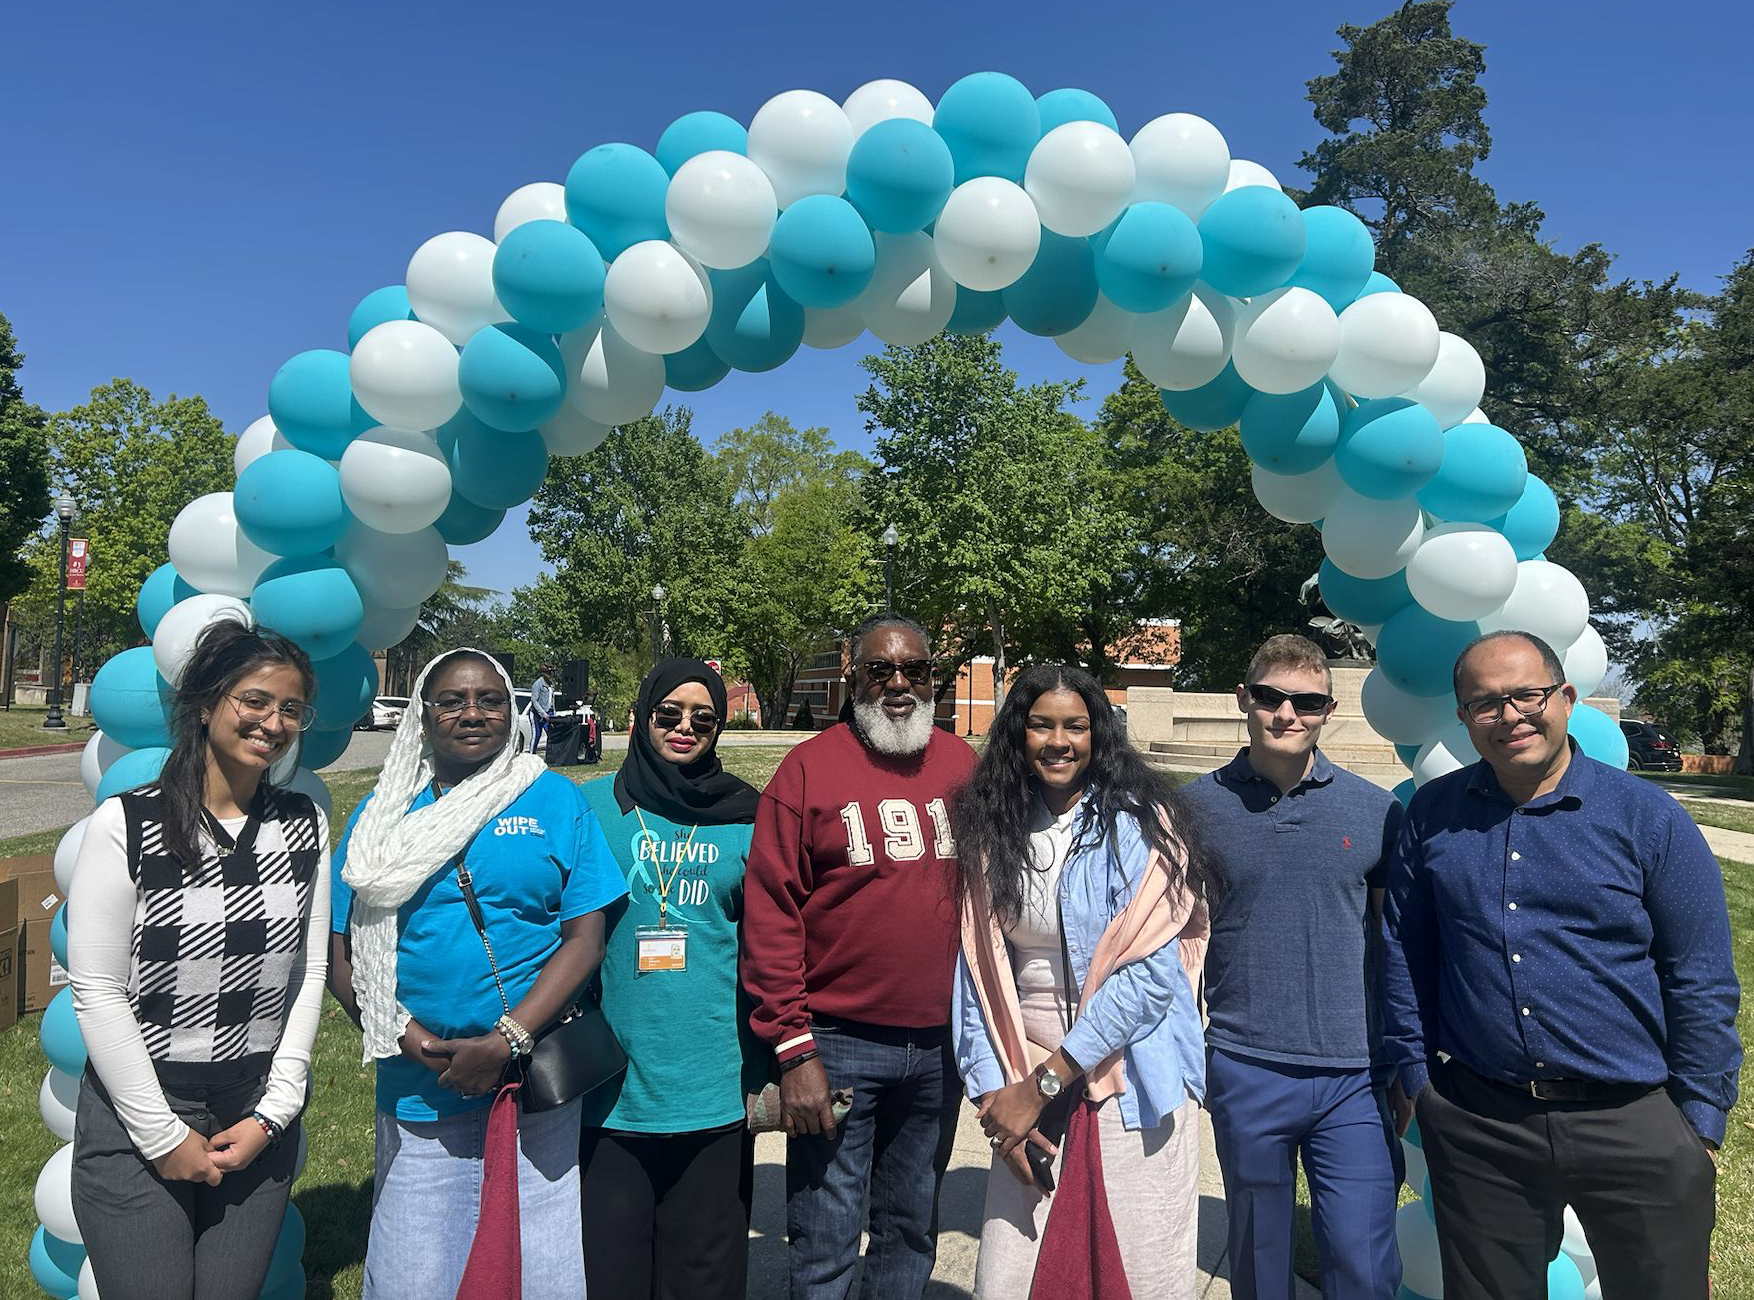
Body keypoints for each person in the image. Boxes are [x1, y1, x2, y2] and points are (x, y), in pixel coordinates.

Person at [1381, 630, 1741, 1300]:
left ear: (1566, 698)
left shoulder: (1649, 819)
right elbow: (1406, 948)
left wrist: (1697, 1122)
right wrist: (1415, 1075)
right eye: (1485, 703)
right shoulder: (1433, 814)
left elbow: (1700, 978)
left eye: (1528, 694)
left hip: (1633, 1118)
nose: (1510, 715)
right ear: (1463, 718)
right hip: (1479, 1122)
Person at [327, 648, 626, 1300]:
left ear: (511, 710)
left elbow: (585, 938)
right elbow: (339, 951)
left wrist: (509, 1038)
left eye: (490, 699)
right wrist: (410, 1039)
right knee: (413, 1272)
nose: (472, 713)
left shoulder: (551, 798)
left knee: (536, 1267)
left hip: (531, 1079)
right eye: (452, 700)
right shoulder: (381, 815)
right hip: (418, 1083)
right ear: (424, 715)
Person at [68, 619, 329, 1300]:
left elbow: (309, 972)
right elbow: (96, 990)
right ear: (208, 702)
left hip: (255, 1112)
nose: (273, 722)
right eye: (255, 700)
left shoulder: (305, 824)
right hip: (139, 1114)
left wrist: (276, 1111)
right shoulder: (127, 823)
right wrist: (161, 1135)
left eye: (292, 709)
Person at [952, 664, 1212, 1299]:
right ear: (1018, 734)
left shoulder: (1141, 828)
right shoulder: (994, 831)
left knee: (1136, 1268)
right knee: (1015, 1275)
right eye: (1041, 725)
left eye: (1076, 725)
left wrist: (1043, 1086)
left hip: (1130, 1074)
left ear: (1100, 735)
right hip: (1021, 1068)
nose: (1058, 741)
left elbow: (1150, 982)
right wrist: (995, 1100)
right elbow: (976, 975)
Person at [741, 614, 977, 1300]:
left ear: (935, 678)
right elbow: (771, 917)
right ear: (853, 676)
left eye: (916, 670)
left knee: (910, 1230)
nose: (899, 684)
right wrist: (793, 1049)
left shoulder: (964, 766)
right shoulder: (808, 770)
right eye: (880, 670)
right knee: (825, 1237)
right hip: (837, 1047)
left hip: (940, 1049)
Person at [1177, 633, 1404, 1299]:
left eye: (1306, 702)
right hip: (1247, 1066)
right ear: (1244, 698)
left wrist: (1406, 1061)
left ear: (1328, 710)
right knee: (1259, 1265)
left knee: (1364, 1267)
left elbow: (1396, 942)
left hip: (1355, 1078)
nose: (1287, 714)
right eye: (1272, 697)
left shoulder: (1375, 812)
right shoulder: (1190, 809)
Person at [578, 659, 762, 1298]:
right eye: (669, 715)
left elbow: (771, 940)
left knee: (703, 1276)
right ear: (641, 717)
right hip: (610, 1085)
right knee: (612, 1276)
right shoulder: (589, 807)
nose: (685, 728)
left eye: (703, 720)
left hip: (711, 1081)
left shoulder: (746, 815)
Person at [530, 667, 555, 752]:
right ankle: (531, 755)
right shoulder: (538, 684)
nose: (551, 675)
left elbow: (551, 700)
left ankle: (550, 756)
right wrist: (543, 713)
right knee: (536, 735)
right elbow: (534, 700)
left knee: (551, 735)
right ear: (543, 673)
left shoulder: (551, 685)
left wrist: (552, 713)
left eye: (552, 673)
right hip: (537, 715)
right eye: (549, 673)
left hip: (549, 713)